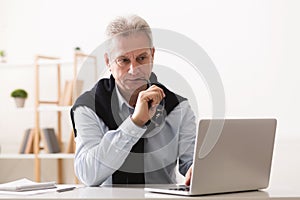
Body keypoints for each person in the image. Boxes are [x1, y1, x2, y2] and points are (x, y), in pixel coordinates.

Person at [70, 15, 196, 186]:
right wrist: (135, 123)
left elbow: (190, 163)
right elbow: (88, 175)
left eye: (141, 58)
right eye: (123, 60)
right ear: (108, 61)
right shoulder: (88, 107)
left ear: (152, 55)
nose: (133, 70)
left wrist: (195, 170)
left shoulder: (178, 108)